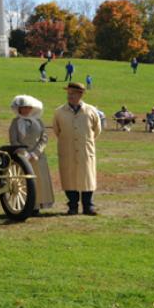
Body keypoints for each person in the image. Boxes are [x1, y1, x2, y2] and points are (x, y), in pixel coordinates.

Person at [53, 82, 102, 216]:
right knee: (69, 178)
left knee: (87, 178)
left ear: (80, 94)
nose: (70, 96)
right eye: (68, 93)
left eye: (73, 94)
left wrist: (85, 141)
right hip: (67, 149)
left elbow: (97, 130)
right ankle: (72, 206)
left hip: (85, 150)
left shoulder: (91, 111)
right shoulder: (59, 112)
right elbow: (57, 130)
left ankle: (88, 206)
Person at [8, 95, 53, 214]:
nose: (27, 110)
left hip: (38, 157)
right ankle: (27, 206)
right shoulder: (15, 122)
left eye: (29, 107)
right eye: (24, 108)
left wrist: (35, 152)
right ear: (19, 109)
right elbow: (13, 140)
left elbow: (44, 139)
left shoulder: (38, 121)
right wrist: (24, 153)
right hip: (22, 158)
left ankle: (38, 205)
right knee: (25, 183)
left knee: (39, 181)